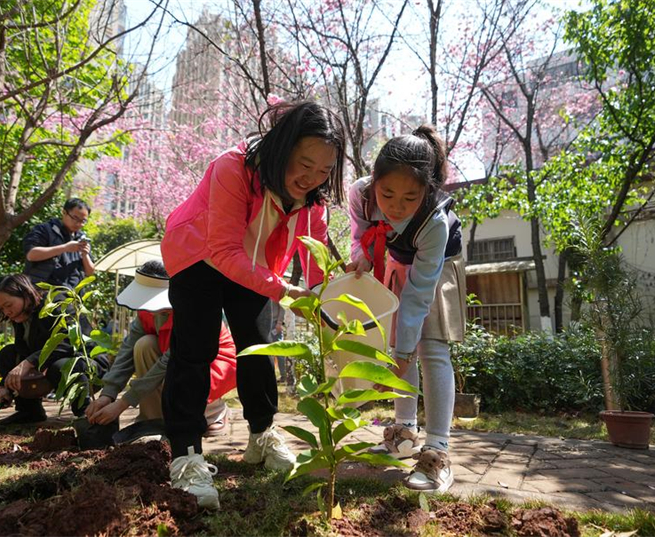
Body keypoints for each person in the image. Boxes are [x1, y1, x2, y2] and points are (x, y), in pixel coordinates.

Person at [160, 100, 345, 509]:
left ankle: (262, 436)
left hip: (256, 264)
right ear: (281, 147)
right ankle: (186, 455)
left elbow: (314, 260)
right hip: (200, 255)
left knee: (259, 345)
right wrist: (284, 292)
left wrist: (324, 301)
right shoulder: (233, 167)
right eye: (304, 164)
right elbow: (224, 251)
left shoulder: (313, 199)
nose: (312, 178)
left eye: (325, 171)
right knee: (195, 349)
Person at [346, 125, 465, 494]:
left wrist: (401, 353)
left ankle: (437, 451)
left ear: (427, 191)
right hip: (398, 260)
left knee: (428, 347)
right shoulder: (360, 195)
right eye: (388, 193)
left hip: (437, 264)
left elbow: (418, 295)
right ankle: (404, 434)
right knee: (398, 344)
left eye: (409, 197)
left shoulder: (434, 223)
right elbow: (358, 239)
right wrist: (362, 259)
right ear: (374, 182)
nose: (396, 205)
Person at [84, 261, 237, 436]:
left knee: (180, 379)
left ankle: (213, 412)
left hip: (212, 363)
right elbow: (127, 349)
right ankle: (153, 420)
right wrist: (108, 394)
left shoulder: (191, 309)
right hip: (172, 357)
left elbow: (169, 361)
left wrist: (123, 403)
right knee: (144, 344)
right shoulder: (147, 312)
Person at [0, 274, 109, 424]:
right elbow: (23, 350)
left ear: (25, 294)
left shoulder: (57, 303)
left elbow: (69, 343)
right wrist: (4, 385)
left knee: (62, 366)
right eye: (2, 308)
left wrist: (29, 362)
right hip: (48, 365)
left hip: (86, 365)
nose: (6, 312)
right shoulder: (20, 314)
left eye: (8, 305)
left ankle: (85, 413)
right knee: (8, 354)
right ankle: (29, 411)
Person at [23, 198, 94, 288]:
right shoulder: (45, 229)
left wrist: (85, 255)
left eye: (83, 221)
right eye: (75, 218)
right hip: (42, 291)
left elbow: (90, 272)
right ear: (64, 212)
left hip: (70, 295)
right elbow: (31, 255)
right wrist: (65, 248)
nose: (79, 224)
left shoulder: (82, 238)